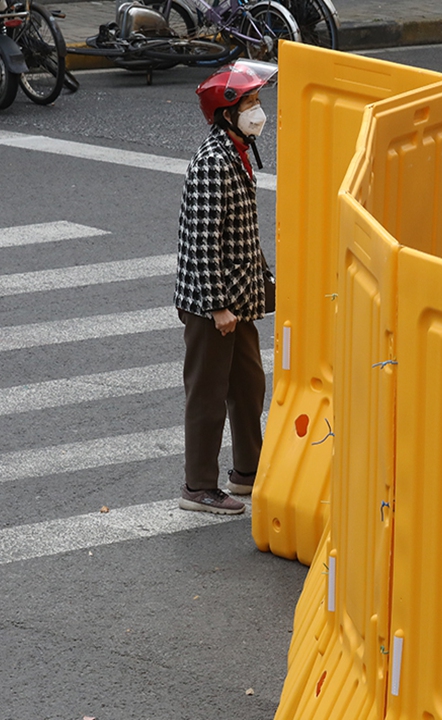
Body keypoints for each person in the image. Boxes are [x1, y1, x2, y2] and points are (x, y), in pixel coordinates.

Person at [174, 60, 276, 515]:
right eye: (250, 103)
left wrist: (263, 280)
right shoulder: (214, 163)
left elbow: (242, 234)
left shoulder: (237, 152)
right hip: (212, 303)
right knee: (208, 394)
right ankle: (198, 487)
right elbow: (201, 241)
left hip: (239, 297)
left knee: (248, 384)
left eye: (257, 101)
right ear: (226, 113)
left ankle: (247, 472)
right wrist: (217, 307)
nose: (258, 111)